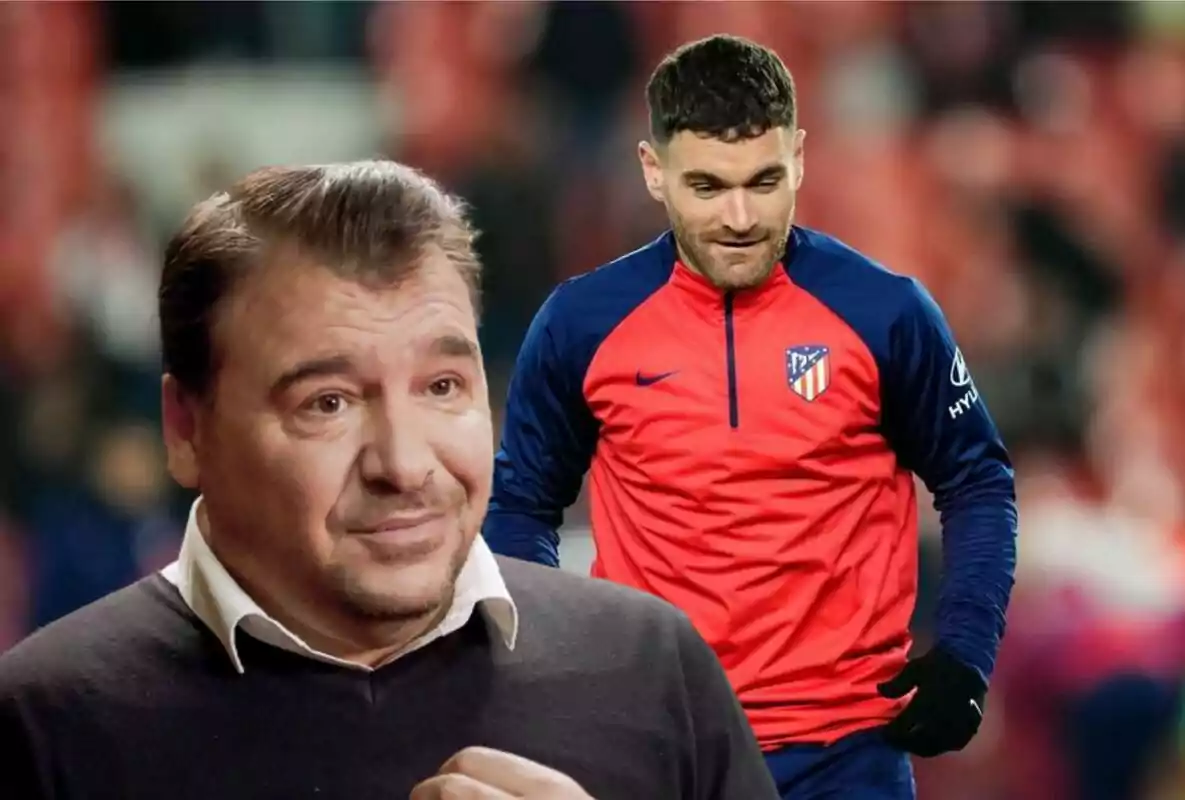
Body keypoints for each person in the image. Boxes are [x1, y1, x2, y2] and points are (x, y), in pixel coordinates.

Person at [0, 161, 779, 800]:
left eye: (442, 387)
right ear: (186, 429)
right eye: (327, 404)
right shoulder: (43, 722)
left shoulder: (652, 669)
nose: (405, 464)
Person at [483, 34, 1018, 800]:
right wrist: (545, 667)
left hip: (848, 756)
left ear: (799, 158)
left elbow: (978, 484)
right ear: (651, 171)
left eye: (763, 181)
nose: (739, 217)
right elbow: (523, 505)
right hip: (654, 745)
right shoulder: (582, 325)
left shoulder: (885, 313)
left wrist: (965, 653)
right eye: (706, 186)